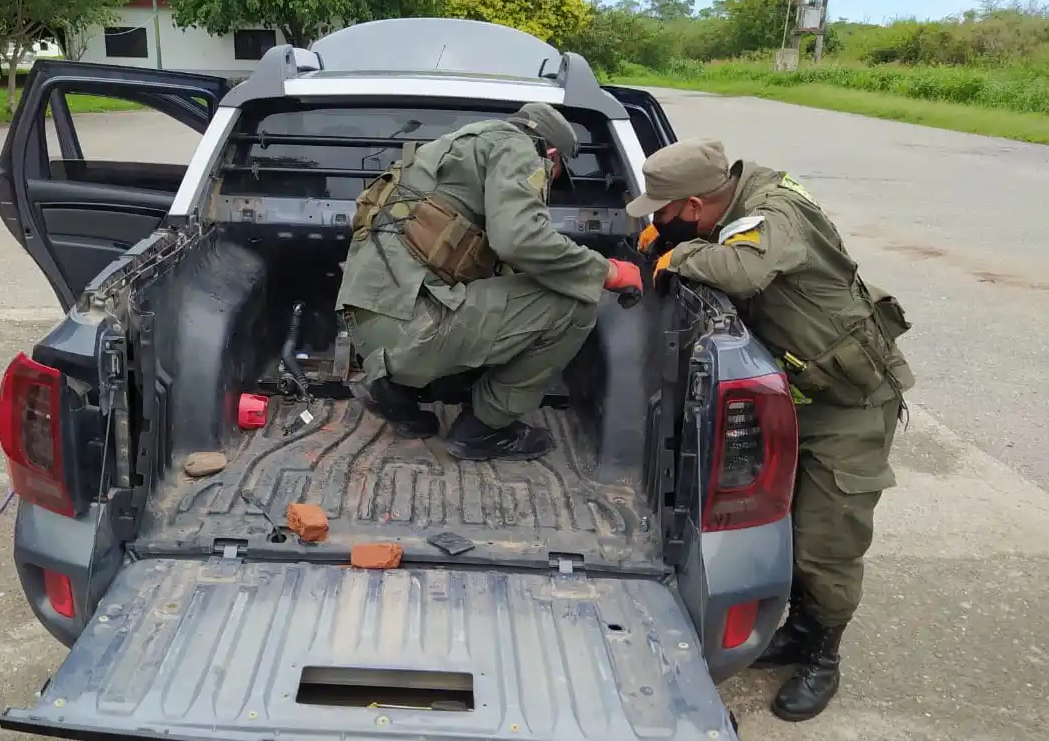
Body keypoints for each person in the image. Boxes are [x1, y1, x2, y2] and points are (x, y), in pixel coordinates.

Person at [626, 138, 914, 722]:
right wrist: (676, 239)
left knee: (826, 544)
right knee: (785, 529)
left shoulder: (771, 214)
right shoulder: (732, 205)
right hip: (801, 392)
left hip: (850, 402)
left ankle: (822, 654)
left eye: (664, 209)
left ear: (699, 203)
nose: (656, 219)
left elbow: (746, 266)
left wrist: (676, 258)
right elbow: (725, 244)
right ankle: (798, 630)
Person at [336, 103, 644, 461]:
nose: (551, 182)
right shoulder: (519, 148)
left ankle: (393, 390)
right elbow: (520, 240)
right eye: (555, 174)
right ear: (552, 155)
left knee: (509, 287)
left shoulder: (456, 149)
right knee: (574, 303)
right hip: (409, 330)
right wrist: (606, 271)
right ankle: (483, 430)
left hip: (367, 329)